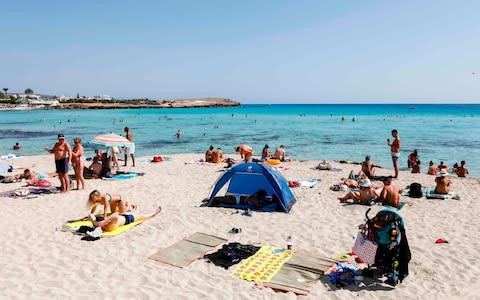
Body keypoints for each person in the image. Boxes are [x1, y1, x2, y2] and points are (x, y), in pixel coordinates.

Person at [88, 206, 162, 232]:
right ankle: (153, 213)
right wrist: (106, 219)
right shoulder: (109, 226)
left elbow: (90, 215)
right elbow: (115, 215)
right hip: (128, 219)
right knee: (142, 216)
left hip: (123, 216)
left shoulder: (97, 224)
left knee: (131, 212)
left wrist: (97, 222)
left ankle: (136, 210)